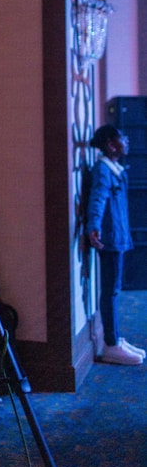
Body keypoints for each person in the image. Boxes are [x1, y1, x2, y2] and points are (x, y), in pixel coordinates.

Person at [86, 124, 145, 366]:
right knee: (110, 292)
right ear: (111, 144)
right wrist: (93, 226)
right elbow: (97, 199)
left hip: (117, 236)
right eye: (123, 138)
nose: (127, 141)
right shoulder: (103, 170)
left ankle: (116, 339)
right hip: (109, 238)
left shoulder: (114, 169)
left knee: (114, 290)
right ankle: (111, 344)